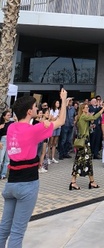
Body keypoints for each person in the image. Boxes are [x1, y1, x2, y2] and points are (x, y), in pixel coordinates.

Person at [0, 90, 67, 247]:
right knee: (17, 232)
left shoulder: (11, 128)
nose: (38, 109)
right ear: (29, 111)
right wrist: (63, 99)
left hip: (11, 184)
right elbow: (61, 121)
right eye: (36, 107)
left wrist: (42, 122)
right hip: (27, 184)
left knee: (3, 229)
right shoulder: (34, 130)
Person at [70, 102, 104, 190]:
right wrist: (102, 109)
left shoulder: (81, 117)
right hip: (84, 142)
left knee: (81, 161)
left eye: (87, 107)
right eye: (86, 108)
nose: (87, 109)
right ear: (82, 109)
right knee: (86, 161)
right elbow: (94, 117)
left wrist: (89, 127)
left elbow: (84, 127)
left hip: (83, 141)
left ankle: (75, 182)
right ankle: (90, 182)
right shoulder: (83, 116)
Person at [0, 111, 12, 180]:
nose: (9, 116)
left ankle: (3, 174)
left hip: (9, 140)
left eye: (9, 115)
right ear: (4, 116)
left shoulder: (11, 123)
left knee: (7, 159)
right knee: (0, 159)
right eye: (7, 115)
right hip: (3, 140)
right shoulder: (1, 123)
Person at [48, 100, 61, 164]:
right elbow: (52, 119)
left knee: (55, 142)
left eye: (59, 103)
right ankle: (48, 157)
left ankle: (53, 157)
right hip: (53, 126)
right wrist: (57, 116)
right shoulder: (51, 111)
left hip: (58, 127)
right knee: (51, 141)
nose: (58, 104)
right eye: (57, 103)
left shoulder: (59, 111)